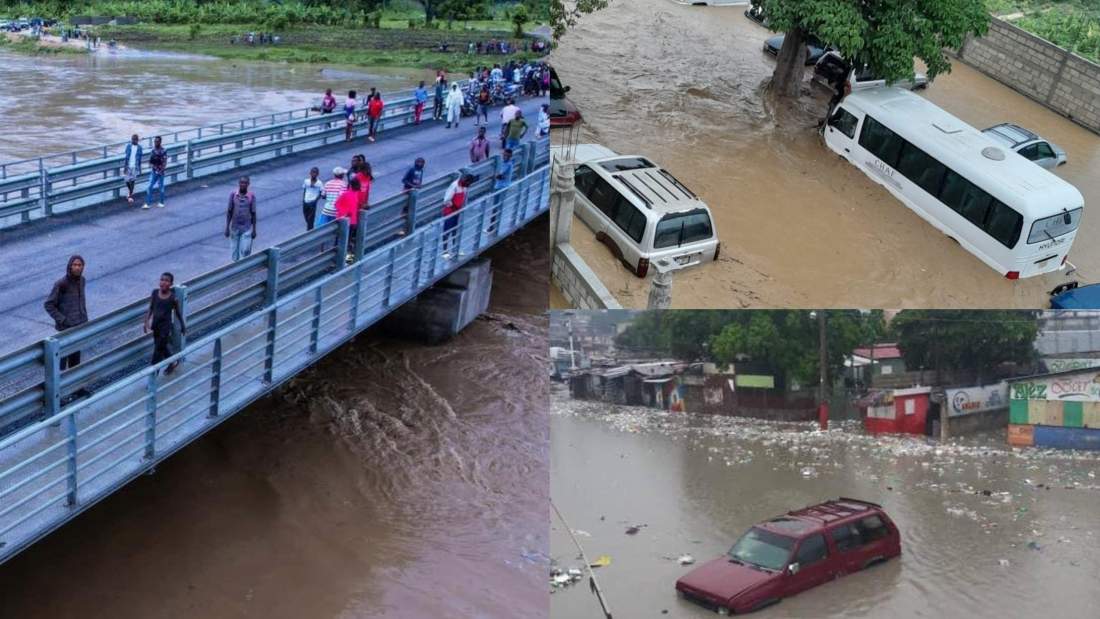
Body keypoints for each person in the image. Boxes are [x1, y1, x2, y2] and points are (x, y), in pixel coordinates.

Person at [44, 255, 89, 372]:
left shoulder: (82, 281)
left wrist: (84, 318)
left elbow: (81, 301)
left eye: (80, 265)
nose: (77, 268)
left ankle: (75, 388)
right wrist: (63, 320)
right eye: (75, 265)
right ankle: (61, 387)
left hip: (78, 327)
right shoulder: (62, 284)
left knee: (75, 361)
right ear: (70, 267)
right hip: (65, 330)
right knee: (62, 363)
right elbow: (49, 305)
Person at [144, 272, 186, 375]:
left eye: (166, 280)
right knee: (161, 346)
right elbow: (151, 308)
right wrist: (146, 322)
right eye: (162, 279)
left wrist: (183, 326)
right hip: (156, 326)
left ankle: (153, 373)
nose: (163, 282)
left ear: (171, 284)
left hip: (165, 329)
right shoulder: (154, 293)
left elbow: (178, 313)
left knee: (157, 351)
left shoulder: (173, 298)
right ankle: (172, 362)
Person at [225, 176, 257, 262]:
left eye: (245, 183)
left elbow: (253, 213)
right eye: (241, 182)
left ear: (248, 184)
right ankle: (236, 271)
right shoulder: (233, 195)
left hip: (246, 228)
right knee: (234, 253)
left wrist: (254, 230)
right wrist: (227, 228)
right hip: (234, 228)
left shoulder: (251, 196)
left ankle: (244, 267)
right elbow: (229, 211)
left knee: (245, 250)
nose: (243, 184)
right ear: (239, 183)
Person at [441, 174, 473, 259]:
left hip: (458, 211)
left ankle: (455, 249)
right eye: (468, 183)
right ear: (464, 179)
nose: (468, 185)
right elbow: (446, 200)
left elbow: (464, 198)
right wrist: (454, 207)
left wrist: (462, 208)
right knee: (447, 231)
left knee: (455, 230)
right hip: (450, 212)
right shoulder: (454, 186)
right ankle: (445, 251)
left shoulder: (465, 187)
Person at [144, 135, 167, 209]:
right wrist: (152, 166)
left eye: (157, 141)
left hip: (160, 172)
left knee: (161, 188)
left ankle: (161, 202)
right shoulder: (153, 150)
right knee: (149, 187)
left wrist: (161, 170)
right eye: (155, 141)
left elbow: (164, 162)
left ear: (160, 142)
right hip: (154, 171)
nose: (155, 142)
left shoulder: (163, 151)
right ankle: (148, 203)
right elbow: (150, 161)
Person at [122, 133, 143, 204]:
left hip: (135, 166)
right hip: (128, 166)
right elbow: (126, 157)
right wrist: (125, 167)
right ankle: (131, 192)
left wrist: (140, 168)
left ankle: (130, 196)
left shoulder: (140, 148)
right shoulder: (128, 146)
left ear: (137, 140)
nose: (133, 141)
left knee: (133, 181)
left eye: (134, 140)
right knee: (127, 180)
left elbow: (140, 159)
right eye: (132, 140)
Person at [301, 166, 324, 231]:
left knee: (310, 220)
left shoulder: (319, 183)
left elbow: (321, 193)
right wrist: (303, 200)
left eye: (315, 173)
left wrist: (315, 201)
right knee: (306, 217)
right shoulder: (306, 181)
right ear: (310, 173)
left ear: (317, 174)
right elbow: (305, 190)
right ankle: (310, 229)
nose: (314, 174)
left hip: (312, 203)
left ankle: (309, 232)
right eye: (312, 172)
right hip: (305, 202)